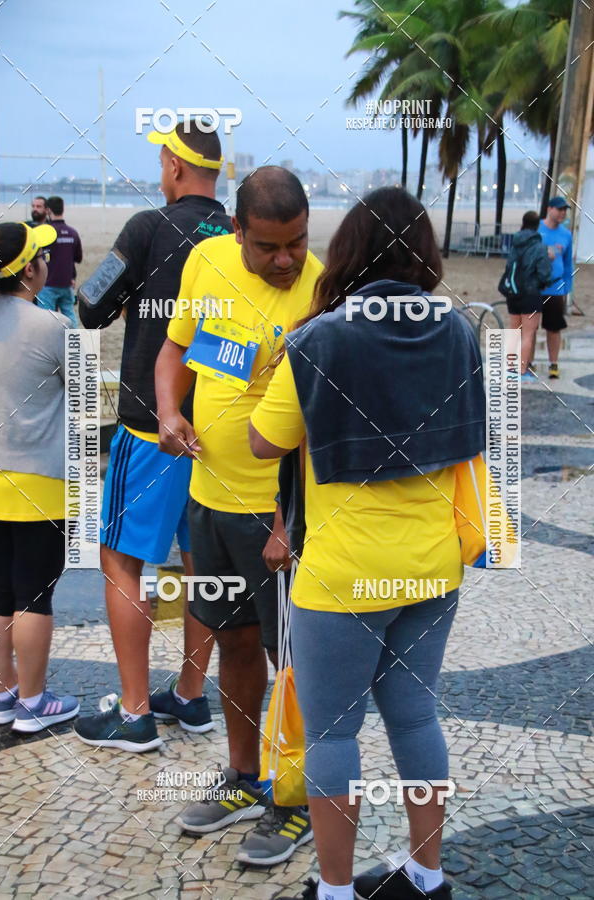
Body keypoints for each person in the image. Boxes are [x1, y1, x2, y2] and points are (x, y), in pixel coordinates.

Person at [248, 186, 486, 900]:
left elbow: (264, 442)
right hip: (433, 568)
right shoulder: (457, 331)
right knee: (416, 715)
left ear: (346, 250)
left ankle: (334, 889)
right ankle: (426, 873)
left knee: (332, 736)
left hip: (343, 576)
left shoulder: (319, 340)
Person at [155, 166, 323, 864]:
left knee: (295, 661)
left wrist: (290, 519)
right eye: (268, 247)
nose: (286, 259)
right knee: (234, 644)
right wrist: (168, 411)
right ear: (236, 233)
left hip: (275, 516)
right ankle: (243, 775)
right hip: (208, 499)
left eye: (297, 242)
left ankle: (297, 800)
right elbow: (175, 349)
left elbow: (320, 421)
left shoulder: (322, 288)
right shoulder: (206, 261)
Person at [73, 120, 231, 753]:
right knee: (202, 568)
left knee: (120, 559)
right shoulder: (234, 234)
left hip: (151, 426)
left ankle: (135, 712)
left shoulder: (145, 228)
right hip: (216, 428)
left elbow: (89, 304)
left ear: (173, 166)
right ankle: (190, 697)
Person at [0, 222, 80, 732]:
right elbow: (90, 396)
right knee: (34, 595)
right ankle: (33, 701)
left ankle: (2, 693)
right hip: (42, 483)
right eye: (41, 255)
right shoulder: (52, 327)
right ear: (29, 269)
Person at [499, 210, 551, 382]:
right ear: (537, 226)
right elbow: (544, 274)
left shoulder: (515, 244)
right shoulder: (539, 247)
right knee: (528, 334)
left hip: (513, 293)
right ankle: (521, 370)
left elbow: (509, 267)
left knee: (514, 330)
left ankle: (510, 367)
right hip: (531, 293)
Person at [538, 196, 573, 379]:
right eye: (559, 209)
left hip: (556, 287)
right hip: (535, 287)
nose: (562, 213)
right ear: (550, 209)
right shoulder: (536, 230)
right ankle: (527, 363)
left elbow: (568, 264)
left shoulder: (566, 234)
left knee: (554, 327)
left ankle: (553, 363)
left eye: (565, 210)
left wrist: (567, 287)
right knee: (529, 327)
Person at [36, 196, 82, 328]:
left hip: (48, 283)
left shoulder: (45, 232)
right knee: (70, 316)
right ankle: (75, 344)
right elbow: (77, 258)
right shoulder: (72, 233)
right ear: (63, 209)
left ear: (48, 210)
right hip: (66, 282)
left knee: (47, 319)